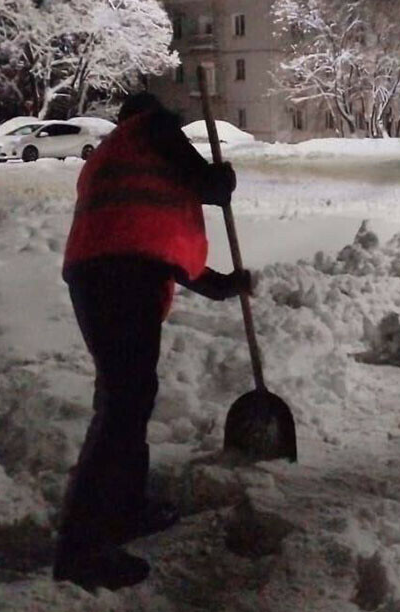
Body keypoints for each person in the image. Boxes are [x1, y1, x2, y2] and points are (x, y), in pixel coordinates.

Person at [54, 92, 252, 590]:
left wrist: (220, 285)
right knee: (123, 405)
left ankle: (124, 509)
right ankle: (82, 548)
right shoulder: (154, 128)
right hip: (121, 278)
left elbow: (150, 236)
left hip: (100, 276)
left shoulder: (116, 152)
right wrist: (220, 182)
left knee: (127, 397)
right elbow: (202, 183)